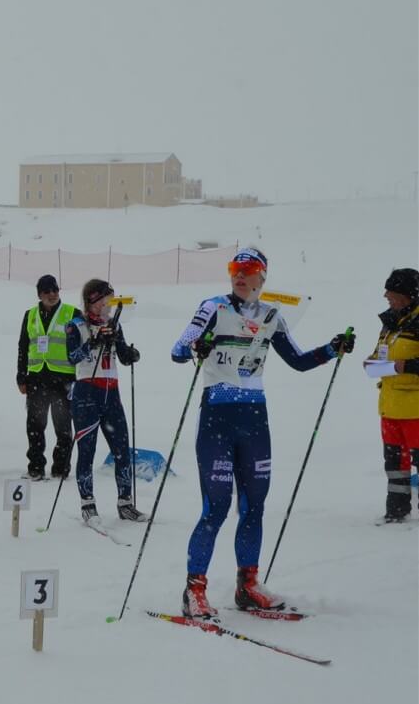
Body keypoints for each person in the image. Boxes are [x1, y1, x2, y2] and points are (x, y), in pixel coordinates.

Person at [172, 247, 354, 619]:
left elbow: (299, 361)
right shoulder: (212, 307)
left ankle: (248, 584)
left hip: (254, 420)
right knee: (216, 508)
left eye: (249, 269)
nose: (240, 276)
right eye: (234, 269)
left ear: (262, 276)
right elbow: (177, 350)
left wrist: (332, 350)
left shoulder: (272, 316)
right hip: (217, 419)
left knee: (254, 506)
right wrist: (198, 345)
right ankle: (194, 590)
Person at [65, 279, 143, 522]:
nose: (109, 305)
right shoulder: (76, 324)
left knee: (122, 450)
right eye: (105, 300)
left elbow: (121, 354)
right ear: (92, 301)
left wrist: (130, 355)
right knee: (86, 451)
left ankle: (125, 503)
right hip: (87, 393)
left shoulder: (114, 324)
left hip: (112, 393)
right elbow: (72, 357)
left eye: (111, 299)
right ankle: (88, 505)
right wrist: (93, 343)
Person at [364, 268, 419, 522]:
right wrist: (372, 363)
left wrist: (404, 366)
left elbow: (407, 363)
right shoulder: (389, 324)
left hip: (415, 409)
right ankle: (397, 511)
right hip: (389, 407)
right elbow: (381, 354)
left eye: (392, 292)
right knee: (395, 464)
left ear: (407, 295)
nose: (386, 296)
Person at [17, 275, 76, 482]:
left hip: (63, 379)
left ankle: (61, 467)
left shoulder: (71, 313)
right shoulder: (30, 315)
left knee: (63, 426)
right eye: (47, 291)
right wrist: (21, 375)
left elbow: (82, 345)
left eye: (55, 290)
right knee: (34, 425)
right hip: (37, 378)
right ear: (39, 294)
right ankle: (35, 467)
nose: (52, 295)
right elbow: (23, 346)